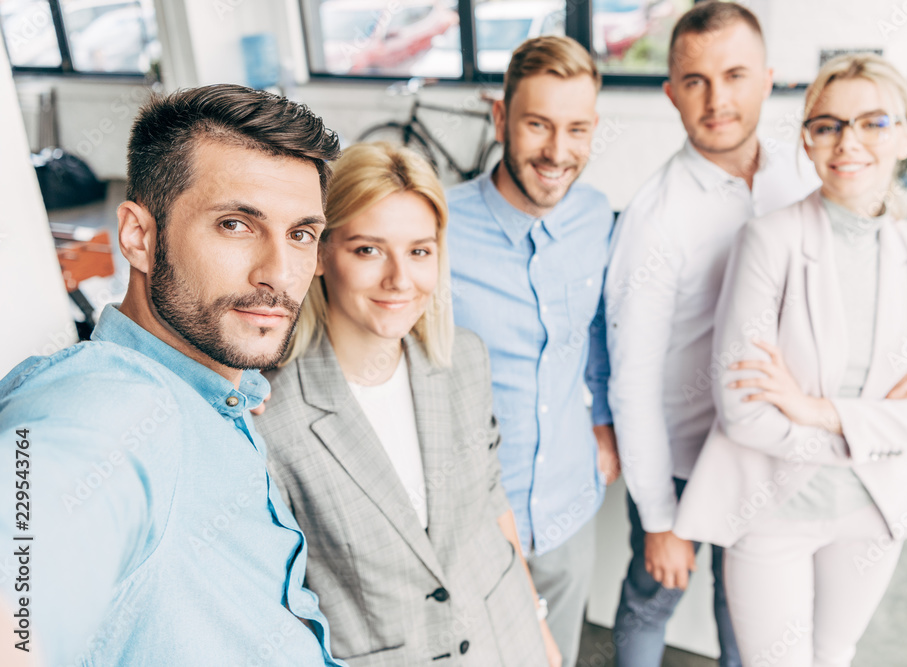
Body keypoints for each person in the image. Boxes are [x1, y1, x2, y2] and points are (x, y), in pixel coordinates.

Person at [0, 85, 345, 665]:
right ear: (139, 236)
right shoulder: (112, 407)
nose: (280, 274)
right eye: (236, 224)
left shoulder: (210, 395)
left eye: (301, 234)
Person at [672, 53, 907, 666]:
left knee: (835, 654)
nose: (848, 141)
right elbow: (744, 414)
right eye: (828, 124)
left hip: (871, 514)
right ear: (808, 141)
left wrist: (816, 410)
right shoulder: (770, 240)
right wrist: (875, 423)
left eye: (873, 123)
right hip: (773, 510)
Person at [254, 142, 559, 667]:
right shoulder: (273, 417)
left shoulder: (464, 359)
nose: (399, 279)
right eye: (369, 250)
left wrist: (538, 628)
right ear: (323, 254)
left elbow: (493, 505)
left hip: (506, 639)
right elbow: (282, 597)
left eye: (419, 251)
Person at [604, 3, 817, 664]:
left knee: (747, 604)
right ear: (671, 93)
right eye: (695, 81)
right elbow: (631, 380)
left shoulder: (801, 175)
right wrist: (662, 520)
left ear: (768, 79)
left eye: (734, 74)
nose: (717, 98)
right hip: (685, 455)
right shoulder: (655, 219)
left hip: (771, 445)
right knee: (651, 596)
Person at [446, 35, 618, 666]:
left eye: (577, 129)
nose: (557, 151)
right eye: (538, 125)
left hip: (571, 507)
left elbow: (599, 330)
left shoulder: (597, 216)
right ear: (501, 119)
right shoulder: (436, 228)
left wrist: (602, 424)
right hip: (475, 524)